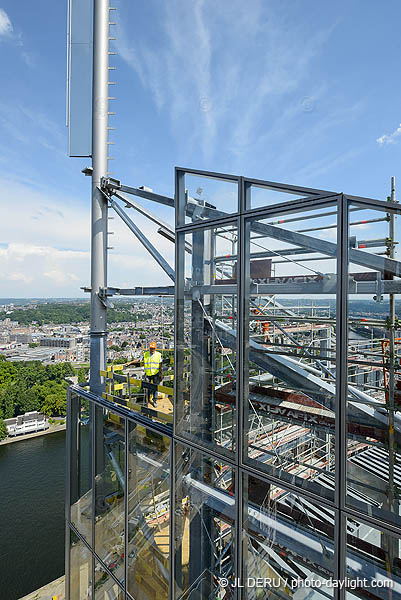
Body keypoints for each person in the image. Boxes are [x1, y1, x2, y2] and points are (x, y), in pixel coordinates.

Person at [143, 341, 162, 407]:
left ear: (155, 348)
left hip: (155, 374)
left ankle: (154, 400)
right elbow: (138, 359)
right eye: (151, 348)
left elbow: (160, 364)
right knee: (147, 387)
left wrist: (160, 373)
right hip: (148, 374)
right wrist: (130, 363)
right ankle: (147, 400)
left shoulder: (158, 355)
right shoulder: (146, 354)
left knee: (155, 388)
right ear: (149, 348)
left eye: (153, 348)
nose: (152, 350)